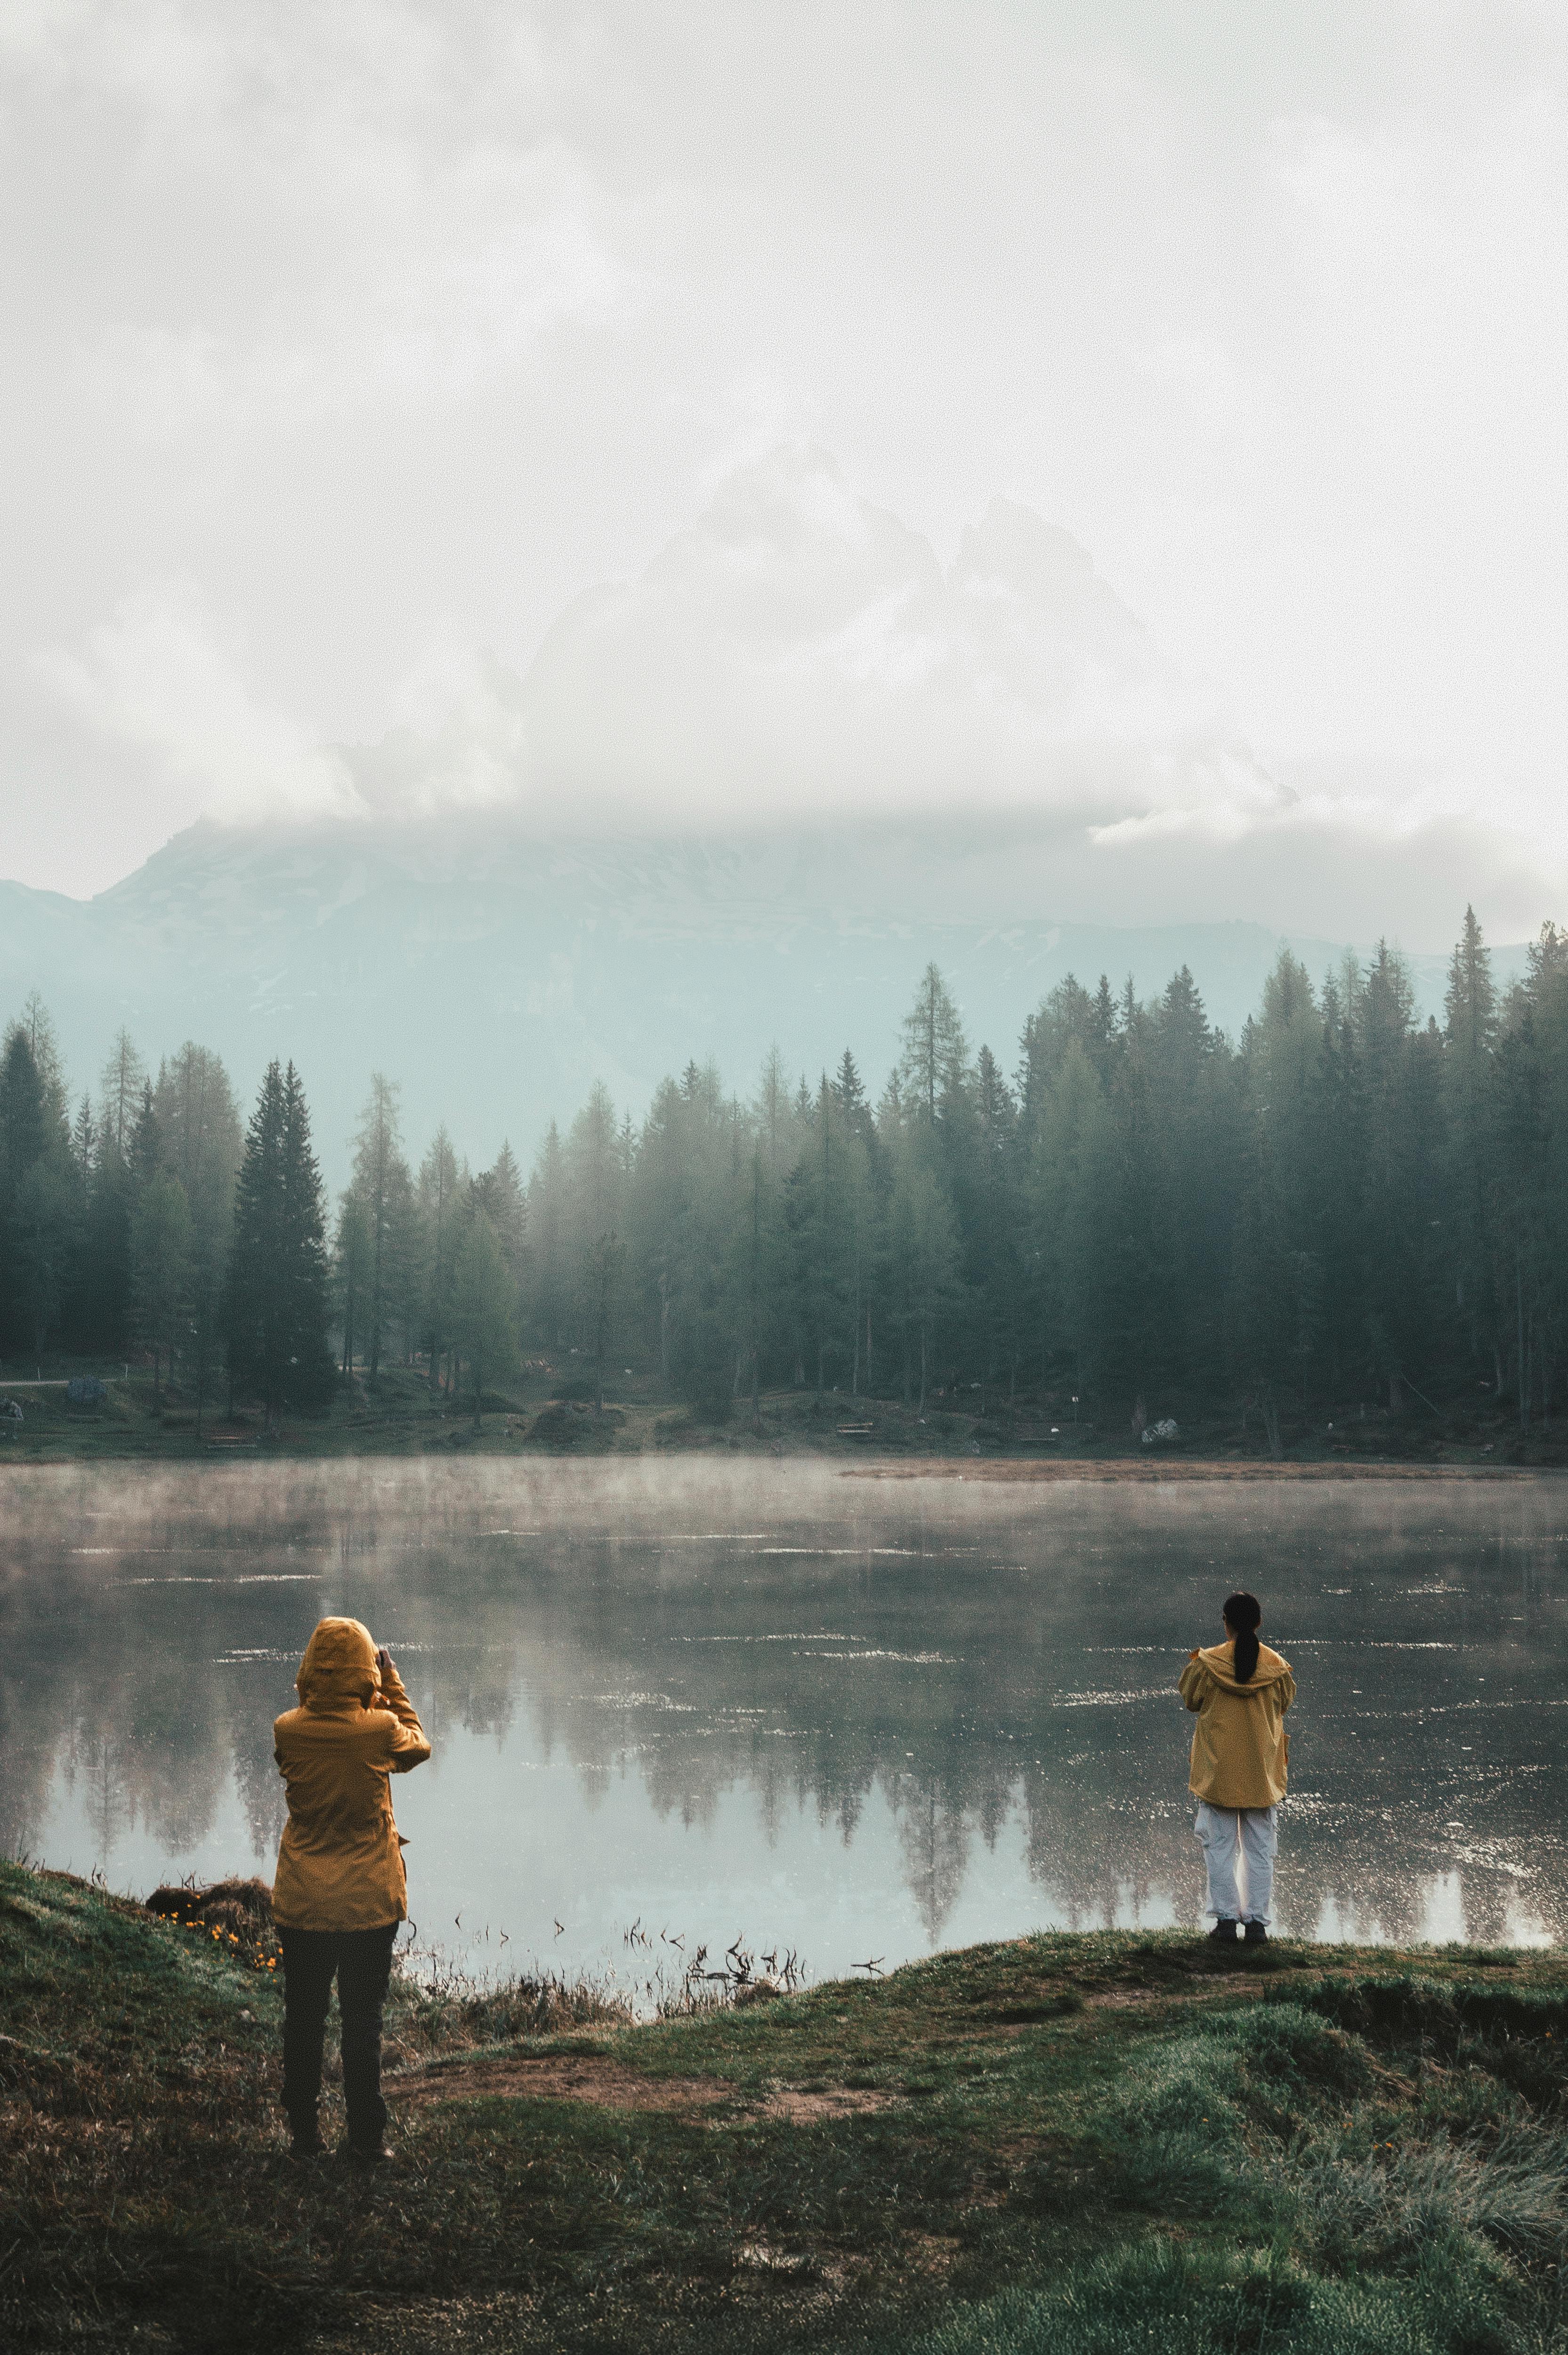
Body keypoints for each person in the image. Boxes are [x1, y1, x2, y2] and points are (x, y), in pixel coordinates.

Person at [271, 1616, 431, 2160]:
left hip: (304, 1902)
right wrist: (391, 1685)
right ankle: (365, 2140)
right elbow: (419, 1747)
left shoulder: (286, 1727)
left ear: (310, 1669)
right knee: (363, 2021)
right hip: (367, 1902)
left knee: (304, 2017)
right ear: (366, 1671)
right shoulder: (380, 1729)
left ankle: (304, 2137)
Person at [1178, 1591, 1294, 1948]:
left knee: (1219, 1848)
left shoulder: (1207, 1664)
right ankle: (1257, 1924)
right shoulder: (1277, 1668)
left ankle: (1226, 1922)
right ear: (1259, 1623)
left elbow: (1190, 1699)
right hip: (1261, 1776)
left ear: (1225, 1623)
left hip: (1219, 1774)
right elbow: (1285, 1705)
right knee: (1261, 1851)